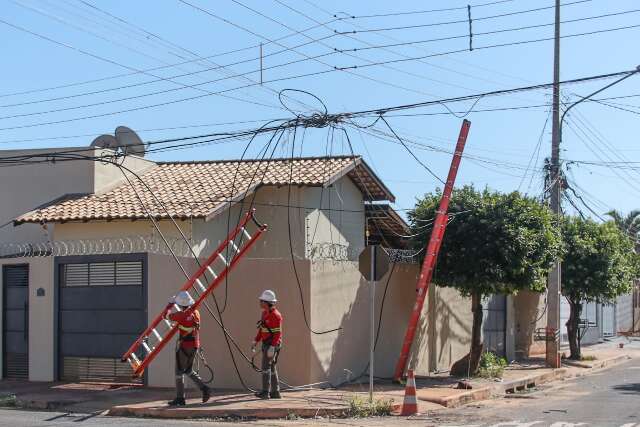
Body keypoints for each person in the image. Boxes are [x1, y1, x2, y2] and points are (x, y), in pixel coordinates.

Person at [164, 290, 211, 406]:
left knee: (178, 372)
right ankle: (204, 388)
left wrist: (170, 304)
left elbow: (165, 316)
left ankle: (180, 398)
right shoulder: (196, 312)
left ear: (180, 304)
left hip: (184, 346)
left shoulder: (181, 315)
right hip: (195, 345)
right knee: (188, 370)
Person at [252, 289, 283, 399]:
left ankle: (265, 392)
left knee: (266, 368)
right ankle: (276, 392)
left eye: (261, 301)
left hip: (272, 345)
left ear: (266, 302)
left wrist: (273, 347)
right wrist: (256, 340)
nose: (260, 302)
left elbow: (278, 333)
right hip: (266, 344)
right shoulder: (264, 314)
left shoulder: (276, 315)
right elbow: (262, 329)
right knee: (272, 368)